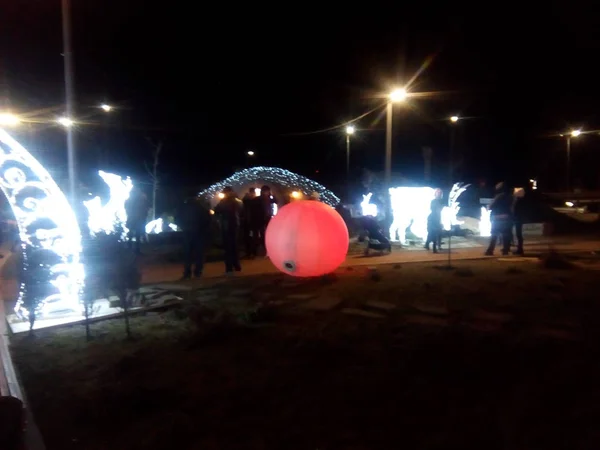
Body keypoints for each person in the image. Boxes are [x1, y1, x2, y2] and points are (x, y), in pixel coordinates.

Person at [177, 195, 212, 280]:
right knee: (199, 254)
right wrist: (203, 229)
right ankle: (197, 272)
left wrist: (183, 227)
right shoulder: (201, 208)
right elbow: (208, 219)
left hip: (187, 233)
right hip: (198, 233)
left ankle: (187, 273)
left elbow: (177, 218)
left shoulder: (183, 208)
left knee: (187, 254)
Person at [214, 186, 243, 274]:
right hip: (235, 225)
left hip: (227, 226)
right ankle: (236, 265)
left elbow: (217, 210)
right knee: (234, 246)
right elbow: (242, 211)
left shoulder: (224, 202)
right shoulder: (238, 201)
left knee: (228, 247)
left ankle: (229, 267)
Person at [485, 182, 513, 256]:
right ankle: (505, 250)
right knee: (505, 234)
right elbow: (512, 207)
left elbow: (491, 206)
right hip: (507, 217)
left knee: (494, 234)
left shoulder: (498, 196)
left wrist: (488, 206)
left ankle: (490, 250)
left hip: (497, 217)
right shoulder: (511, 196)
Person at [124, 187, 149, 254]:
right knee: (135, 233)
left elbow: (127, 208)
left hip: (135, 218)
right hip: (136, 218)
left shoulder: (130, 200)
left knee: (134, 233)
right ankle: (133, 248)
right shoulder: (138, 200)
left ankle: (131, 247)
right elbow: (144, 209)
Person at [253, 185, 277, 255]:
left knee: (265, 234)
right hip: (262, 219)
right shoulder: (259, 199)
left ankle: (265, 249)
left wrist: (272, 195)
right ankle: (264, 249)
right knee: (263, 234)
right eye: (267, 191)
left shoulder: (268, 199)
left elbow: (276, 201)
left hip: (266, 218)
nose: (267, 193)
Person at [425, 188, 444, 253]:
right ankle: (433, 248)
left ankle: (430, 245)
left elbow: (443, 209)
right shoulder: (433, 201)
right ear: (435, 194)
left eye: (440, 193)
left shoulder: (442, 201)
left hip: (439, 218)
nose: (439, 194)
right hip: (433, 218)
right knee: (433, 233)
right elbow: (433, 209)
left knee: (438, 232)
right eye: (438, 193)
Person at [242, 187, 258, 258]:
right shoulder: (254, 200)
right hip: (251, 221)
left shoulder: (245, 200)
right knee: (251, 237)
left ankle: (249, 252)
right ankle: (252, 252)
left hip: (248, 221)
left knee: (248, 237)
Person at [512, 187, 525, 255]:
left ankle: (520, 249)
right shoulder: (521, 201)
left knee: (518, 234)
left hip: (518, 219)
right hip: (519, 219)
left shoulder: (518, 201)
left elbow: (514, 210)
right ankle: (519, 248)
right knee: (518, 234)